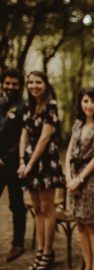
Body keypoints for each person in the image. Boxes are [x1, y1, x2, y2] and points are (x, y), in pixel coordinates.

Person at [17, 70, 65, 270]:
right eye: (30, 82)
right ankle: (40, 250)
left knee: (47, 209)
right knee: (37, 209)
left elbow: (44, 139)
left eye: (38, 82)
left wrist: (29, 165)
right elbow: (24, 133)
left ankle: (47, 252)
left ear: (45, 84)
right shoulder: (29, 106)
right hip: (28, 164)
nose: (34, 85)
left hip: (45, 165)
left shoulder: (51, 106)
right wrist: (21, 161)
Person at [65, 88, 94, 270]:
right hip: (74, 177)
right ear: (80, 103)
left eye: (92, 101)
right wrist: (68, 177)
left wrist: (80, 179)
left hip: (90, 180)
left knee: (92, 225)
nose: (88, 105)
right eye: (85, 101)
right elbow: (68, 153)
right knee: (80, 224)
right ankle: (88, 263)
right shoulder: (77, 124)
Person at [0, 69, 27, 262]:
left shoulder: (24, 106)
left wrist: (6, 158)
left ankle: (18, 244)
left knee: (17, 205)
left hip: (14, 165)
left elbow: (23, 137)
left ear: (20, 86)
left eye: (14, 84)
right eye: (7, 83)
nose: (10, 87)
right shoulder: (0, 103)